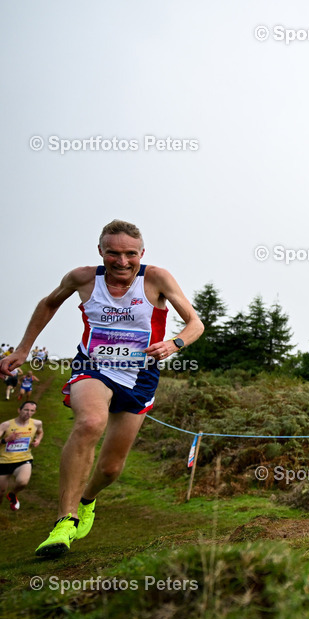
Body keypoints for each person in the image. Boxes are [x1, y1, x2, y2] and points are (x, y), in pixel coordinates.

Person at [0, 219, 204, 557]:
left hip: (140, 376)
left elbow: (195, 323)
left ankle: (87, 500)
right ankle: (64, 522)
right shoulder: (82, 278)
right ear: (101, 252)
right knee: (90, 422)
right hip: (93, 365)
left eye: (130, 255)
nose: (122, 262)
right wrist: (23, 349)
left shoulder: (157, 279)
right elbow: (49, 303)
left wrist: (174, 344)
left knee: (110, 468)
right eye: (113, 254)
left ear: (142, 253)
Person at [0, 401, 43, 511]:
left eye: (32, 411)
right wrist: (6, 440)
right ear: (19, 410)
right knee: (0, 492)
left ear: (35, 412)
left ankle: (13, 494)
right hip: (4, 461)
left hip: (24, 459)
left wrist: (38, 440)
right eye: (26, 410)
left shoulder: (36, 423)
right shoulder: (6, 425)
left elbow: (40, 432)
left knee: (23, 482)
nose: (28, 413)